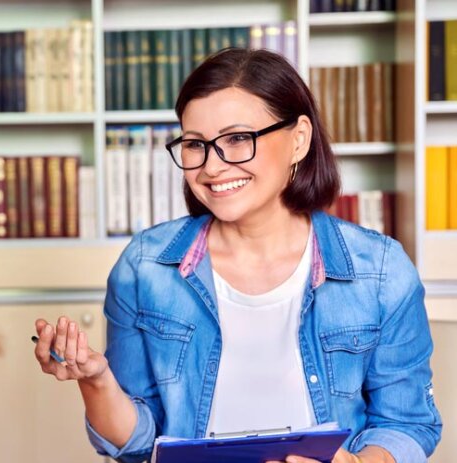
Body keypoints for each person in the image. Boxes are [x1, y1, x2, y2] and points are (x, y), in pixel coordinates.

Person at [33, 48, 441, 463]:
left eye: (237, 139)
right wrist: (97, 380)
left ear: (299, 138)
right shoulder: (145, 267)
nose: (212, 166)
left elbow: (408, 424)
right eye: (195, 145)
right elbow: (137, 445)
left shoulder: (381, 272)